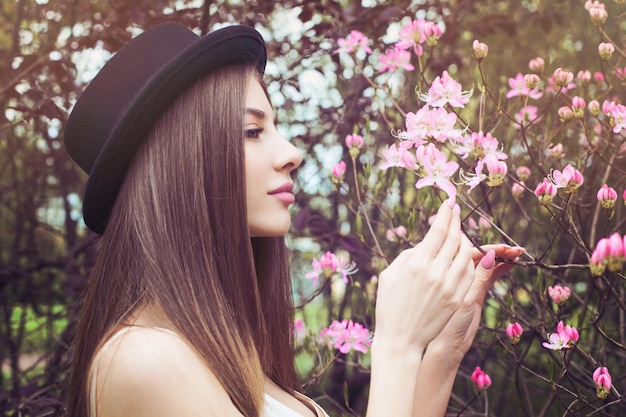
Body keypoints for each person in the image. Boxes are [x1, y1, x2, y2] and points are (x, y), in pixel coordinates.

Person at [63, 22, 524, 417]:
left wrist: (440, 351)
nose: (292, 153)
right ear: (180, 164)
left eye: (277, 129)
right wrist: (396, 347)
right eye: (252, 131)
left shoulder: (225, 351)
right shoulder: (142, 359)